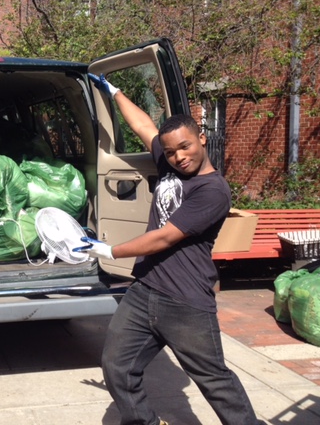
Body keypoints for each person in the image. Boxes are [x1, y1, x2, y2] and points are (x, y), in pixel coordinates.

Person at [83, 74, 266, 425]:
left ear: (201, 138)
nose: (178, 157)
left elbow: (166, 237)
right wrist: (116, 92)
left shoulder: (213, 191)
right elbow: (143, 126)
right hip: (145, 289)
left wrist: (108, 251)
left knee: (215, 382)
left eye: (185, 147)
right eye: (170, 151)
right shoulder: (168, 162)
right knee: (117, 366)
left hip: (185, 301)